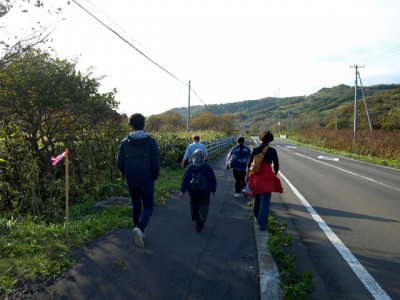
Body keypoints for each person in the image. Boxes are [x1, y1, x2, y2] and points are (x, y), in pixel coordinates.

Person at [117, 113, 160, 248]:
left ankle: (138, 230)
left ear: (131, 125)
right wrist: (154, 176)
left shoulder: (124, 143)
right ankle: (140, 229)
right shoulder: (151, 142)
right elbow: (155, 163)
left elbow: (119, 163)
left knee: (136, 205)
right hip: (146, 179)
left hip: (131, 179)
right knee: (148, 206)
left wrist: (127, 173)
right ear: (143, 125)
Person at [246, 130, 280, 231]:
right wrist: (275, 173)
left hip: (257, 176)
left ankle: (257, 217)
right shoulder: (273, 151)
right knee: (266, 201)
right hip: (268, 176)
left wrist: (248, 174)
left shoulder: (256, 149)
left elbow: (249, 163)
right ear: (271, 140)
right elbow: (277, 165)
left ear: (260, 138)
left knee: (257, 198)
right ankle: (262, 224)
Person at [180, 149, 217, 232]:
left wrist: (182, 191)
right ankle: (202, 219)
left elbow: (185, 180)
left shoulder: (190, 167)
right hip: (205, 191)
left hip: (193, 191)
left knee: (194, 205)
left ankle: (196, 218)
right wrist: (213, 190)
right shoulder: (207, 167)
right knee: (204, 206)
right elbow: (212, 179)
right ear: (203, 157)